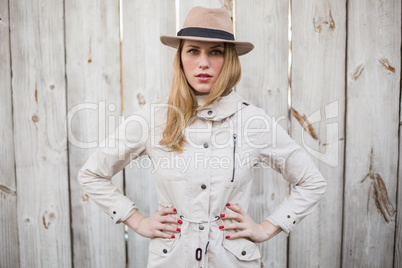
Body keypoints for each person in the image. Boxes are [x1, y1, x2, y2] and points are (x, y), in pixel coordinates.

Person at [78, 6, 327, 268]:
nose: (203, 62)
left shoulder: (253, 122)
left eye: (215, 52)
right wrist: (136, 220)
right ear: (181, 57)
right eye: (193, 51)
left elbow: (311, 182)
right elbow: (92, 173)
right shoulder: (154, 118)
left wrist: (267, 227)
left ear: (228, 59)